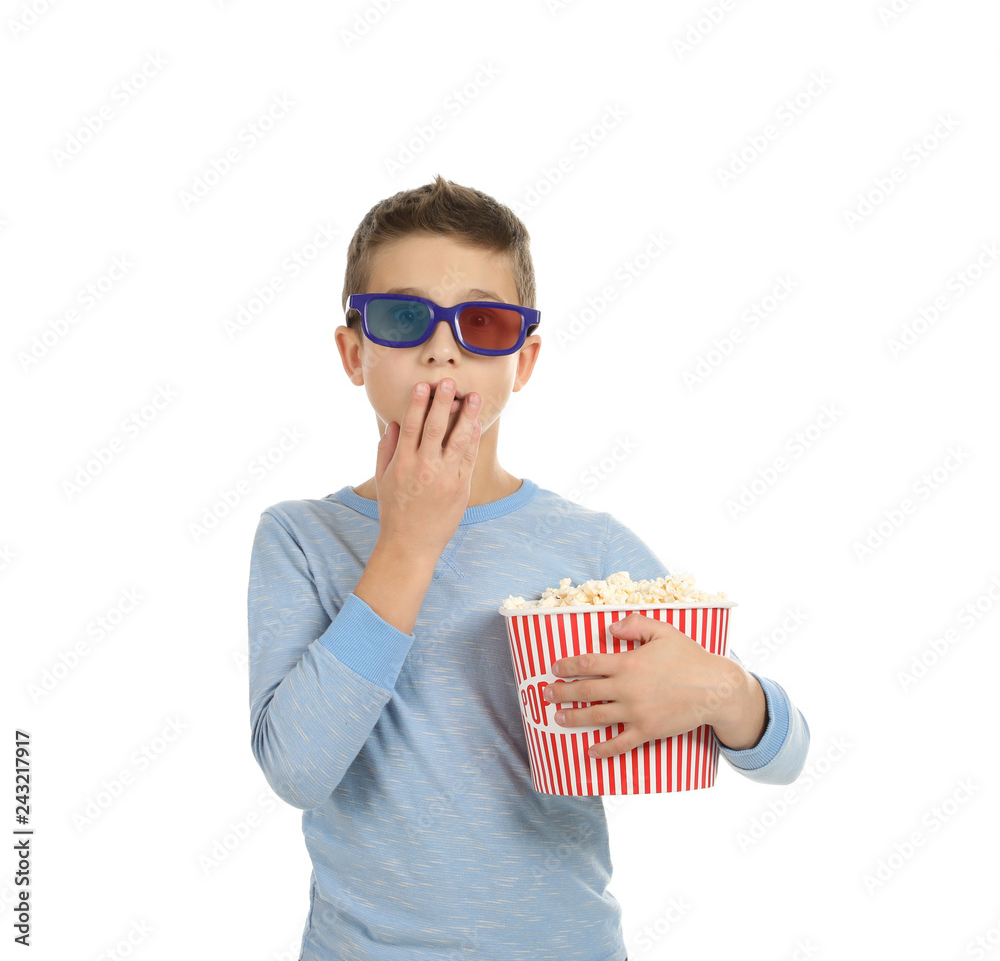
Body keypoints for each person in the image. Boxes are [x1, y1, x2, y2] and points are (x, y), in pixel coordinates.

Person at [247, 175, 810, 961]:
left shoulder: (590, 549)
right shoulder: (301, 539)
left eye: (481, 321)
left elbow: (788, 755)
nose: (442, 346)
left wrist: (723, 691)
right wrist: (408, 543)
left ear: (525, 359)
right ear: (353, 351)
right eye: (405, 318)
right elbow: (297, 770)